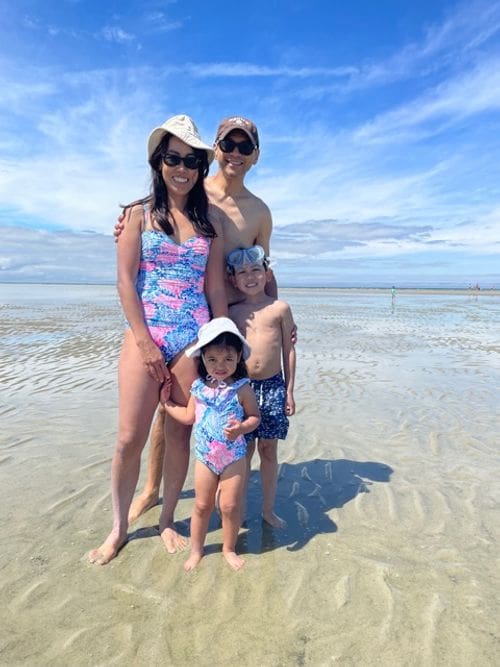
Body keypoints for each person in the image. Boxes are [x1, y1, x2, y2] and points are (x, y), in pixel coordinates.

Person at [115, 116, 282, 548]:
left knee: (197, 418)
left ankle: (221, 497)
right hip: (169, 320)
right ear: (218, 148)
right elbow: (149, 214)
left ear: (255, 156)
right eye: (229, 143)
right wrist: (128, 222)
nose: (236, 153)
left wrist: (278, 319)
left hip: (218, 323)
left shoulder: (257, 211)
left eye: (245, 148)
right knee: (153, 420)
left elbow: (265, 269)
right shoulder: (186, 193)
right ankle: (149, 493)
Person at [88, 114, 227, 565]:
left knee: (179, 435)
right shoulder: (136, 215)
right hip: (145, 334)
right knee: (129, 438)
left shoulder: (210, 226)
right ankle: (119, 528)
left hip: (194, 339)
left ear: (201, 167)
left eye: (191, 160)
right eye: (173, 158)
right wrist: (145, 343)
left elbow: (215, 291)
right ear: (159, 161)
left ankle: (167, 519)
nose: (182, 167)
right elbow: (126, 283)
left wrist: (222, 345)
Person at [162, 318, 260, 571]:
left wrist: (241, 428)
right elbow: (188, 417)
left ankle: (228, 548)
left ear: (239, 357)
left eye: (228, 359)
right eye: (213, 359)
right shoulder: (198, 388)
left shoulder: (242, 388)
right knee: (202, 505)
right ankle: (197, 550)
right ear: (202, 357)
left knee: (229, 506)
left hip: (234, 456)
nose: (220, 365)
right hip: (205, 457)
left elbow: (255, 418)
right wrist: (167, 404)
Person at [227, 246, 296, 528]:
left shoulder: (279, 308)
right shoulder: (232, 311)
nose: (250, 276)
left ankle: (268, 509)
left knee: (269, 450)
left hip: (273, 386)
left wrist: (289, 390)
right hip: (242, 389)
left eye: (256, 270)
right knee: (244, 451)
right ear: (233, 280)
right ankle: (238, 507)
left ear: (267, 274)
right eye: (242, 272)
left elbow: (288, 351)